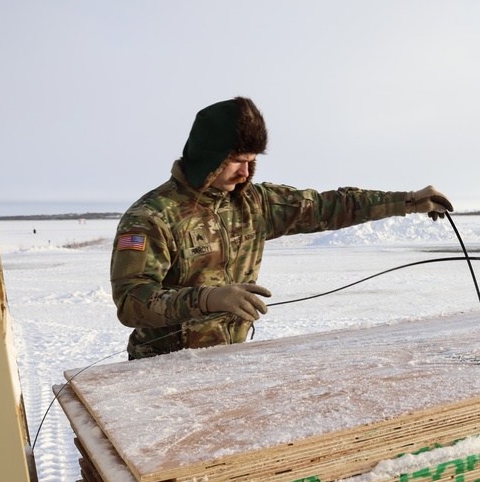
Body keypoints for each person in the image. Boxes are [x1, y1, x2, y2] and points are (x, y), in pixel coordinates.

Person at [111, 96, 453, 359]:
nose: (246, 173)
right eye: (237, 161)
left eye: (252, 161)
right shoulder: (152, 217)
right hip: (159, 368)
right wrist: (209, 298)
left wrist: (408, 201)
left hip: (226, 360)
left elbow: (327, 206)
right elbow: (131, 302)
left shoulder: (253, 204)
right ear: (207, 155)